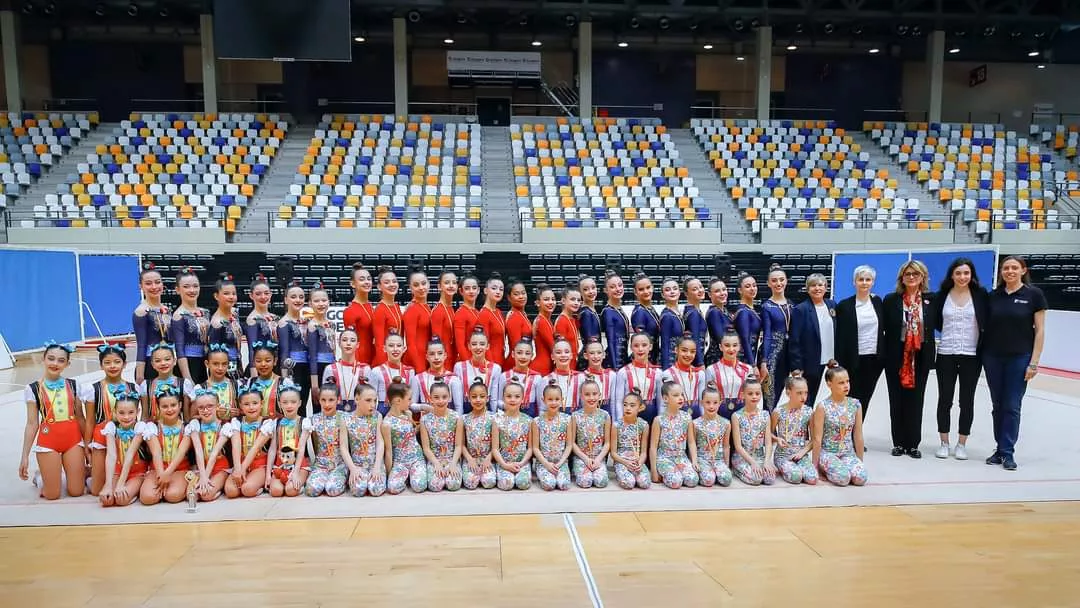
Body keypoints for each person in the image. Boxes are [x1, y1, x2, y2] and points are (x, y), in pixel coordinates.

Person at [983, 255, 1046, 471]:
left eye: (1014, 268)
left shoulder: (1033, 295)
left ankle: (1008, 452)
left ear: (1022, 270)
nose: (1009, 271)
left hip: (1019, 358)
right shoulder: (994, 296)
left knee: (1012, 406)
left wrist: (1034, 362)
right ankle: (999, 449)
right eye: (1005, 268)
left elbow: (1040, 331)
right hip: (992, 357)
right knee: (997, 405)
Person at [931, 257, 989, 461]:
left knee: (967, 401)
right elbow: (936, 322)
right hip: (946, 353)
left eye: (966, 273)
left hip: (971, 356)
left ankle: (962, 443)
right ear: (952, 275)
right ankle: (944, 442)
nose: (962, 277)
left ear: (971, 275)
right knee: (944, 400)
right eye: (958, 273)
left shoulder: (981, 295)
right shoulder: (942, 296)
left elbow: (986, 321)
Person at [882, 260, 936, 459]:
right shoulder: (891, 300)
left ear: (923, 277)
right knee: (896, 400)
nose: (911, 277)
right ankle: (898, 443)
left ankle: (913, 444)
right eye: (907, 274)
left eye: (915, 273)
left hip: (920, 356)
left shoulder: (931, 300)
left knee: (916, 400)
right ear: (901, 278)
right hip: (897, 357)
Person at [20, 342, 87, 501]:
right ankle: (41, 478)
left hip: (73, 440)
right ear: (43, 359)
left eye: (61, 360)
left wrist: (88, 444)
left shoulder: (74, 385)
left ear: (67, 364)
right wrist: (24, 456)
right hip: (48, 442)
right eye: (51, 359)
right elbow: (32, 424)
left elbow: (81, 418)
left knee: (77, 491)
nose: (55, 363)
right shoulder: (33, 389)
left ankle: (73, 472)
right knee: (52, 495)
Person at [82, 344, 138, 496]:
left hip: (124, 437)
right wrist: (87, 445)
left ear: (124, 364)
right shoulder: (93, 389)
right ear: (101, 365)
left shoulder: (134, 388)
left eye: (117, 362)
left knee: (125, 478)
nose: (112, 366)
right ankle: (89, 476)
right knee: (96, 491)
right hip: (101, 437)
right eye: (107, 362)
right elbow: (89, 420)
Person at [834, 265, 885, 419]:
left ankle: (857, 436)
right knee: (849, 398)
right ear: (854, 282)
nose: (864, 283)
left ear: (873, 282)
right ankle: (845, 438)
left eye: (868, 280)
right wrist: (839, 362)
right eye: (860, 279)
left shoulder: (877, 302)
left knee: (865, 399)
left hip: (873, 359)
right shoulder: (844, 306)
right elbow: (840, 337)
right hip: (852, 360)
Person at [812, 363, 868, 486]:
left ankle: (846, 467)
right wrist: (815, 467)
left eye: (847, 381)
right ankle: (826, 468)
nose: (846, 385)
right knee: (843, 479)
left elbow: (858, 435)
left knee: (860, 478)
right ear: (829, 384)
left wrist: (859, 462)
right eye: (841, 383)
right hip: (828, 453)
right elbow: (817, 438)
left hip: (847, 453)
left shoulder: (856, 404)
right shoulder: (823, 407)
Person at [789, 273, 837, 408]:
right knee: (806, 399)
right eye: (813, 285)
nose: (817, 288)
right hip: (810, 362)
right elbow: (795, 339)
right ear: (807, 289)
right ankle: (802, 427)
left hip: (829, 360)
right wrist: (797, 366)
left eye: (820, 285)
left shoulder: (832, 305)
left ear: (826, 287)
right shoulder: (801, 309)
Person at [139, 386, 191, 505]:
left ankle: (187, 482)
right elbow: (156, 452)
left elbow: (181, 452)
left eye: (173, 405)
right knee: (147, 498)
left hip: (179, 469)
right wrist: (161, 474)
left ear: (180, 405)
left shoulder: (187, 428)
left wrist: (168, 473)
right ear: (158, 407)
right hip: (157, 469)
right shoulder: (152, 427)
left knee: (173, 496)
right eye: (164, 406)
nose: (169, 409)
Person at [223, 386, 276, 498]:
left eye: (255, 403)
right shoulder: (236, 421)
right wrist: (238, 469)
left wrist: (241, 470)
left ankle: (259, 488)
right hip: (241, 463)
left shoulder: (267, 423)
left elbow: (256, 447)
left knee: (247, 490)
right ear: (241, 406)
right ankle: (244, 479)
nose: (251, 407)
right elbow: (236, 446)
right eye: (246, 404)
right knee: (230, 491)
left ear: (261, 403)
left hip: (259, 465)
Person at [98, 390, 148, 507]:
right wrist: (108, 485)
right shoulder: (111, 427)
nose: (126, 417)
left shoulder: (140, 427)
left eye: (131, 412)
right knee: (106, 500)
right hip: (118, 471)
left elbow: (130, 454)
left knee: (121, 500)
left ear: (138, 412)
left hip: (137, 473)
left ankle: (136, 489)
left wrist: (120, 484)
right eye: (121, 413)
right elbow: (111, 455)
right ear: (115, 412)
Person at [382, 379, 428, 494]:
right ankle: (406, 477)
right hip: (400, 462)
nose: (410, 402)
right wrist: (388, 473)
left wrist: (422, 422)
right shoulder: (386, 424)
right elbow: (388, 451)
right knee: (392, 488)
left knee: (419, 486)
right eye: (409, 399)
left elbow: (411, 434)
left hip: (416, 458)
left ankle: (412, 476)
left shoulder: (408, 414)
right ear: (398, 400)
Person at [649, 382, 699, 489]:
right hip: (664, 458)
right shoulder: (659, 420)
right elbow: (653, 447)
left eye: (681, 395)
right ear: (665, 398)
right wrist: (653, 471)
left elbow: (691, 442)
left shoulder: (687, 417)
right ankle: (667, 473)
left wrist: (694, 460)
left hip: (681, 457)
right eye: (676, 395)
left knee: (692, 480)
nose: (680, 398)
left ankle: (677, 473)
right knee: (676, 482)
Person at [185, 390, 231, 502]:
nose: (205, 411)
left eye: (210, 406)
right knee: (191, 496)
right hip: (201, 468)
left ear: (218, 406)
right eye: (201, 407)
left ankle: (218, 489)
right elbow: (198, 451)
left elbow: (215, 453)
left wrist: (205, 477)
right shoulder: (195, 425)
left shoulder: (225, 426)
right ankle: (210, 485)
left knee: (206, 495)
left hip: (221, 467)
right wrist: (202, 476)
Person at [771, 374, 817, 485]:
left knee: (812, 478)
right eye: (799, 393)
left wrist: (802, 452)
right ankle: (786, 468)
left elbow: (814, 439)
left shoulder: (808, 412)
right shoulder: (778, 412)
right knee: (796, 477)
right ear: (788, 392)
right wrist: (777, 439)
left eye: (805, 393)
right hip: (783, 456)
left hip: (801, 455)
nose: (803, 397)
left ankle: (799, 467)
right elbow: (768, 434)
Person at [267, 382, 311, 497]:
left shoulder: (304, 422)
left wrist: (295, 473)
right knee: (276, 492)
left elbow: (301, 449)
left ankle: (302, 481)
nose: (289, 406)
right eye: (285, 403)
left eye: (293, 402)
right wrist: (268, 474)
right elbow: (272, 449)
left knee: (290, 491)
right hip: (280, 465)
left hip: (299, 465)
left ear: (300, 403)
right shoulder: (276, 423)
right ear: (279, 404)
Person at [343, 384, 387, 497]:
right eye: (368, 400)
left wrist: (377, 466)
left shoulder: (377, 416)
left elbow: (380, 442)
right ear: (357, 399)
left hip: (374, 463)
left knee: (376, 490)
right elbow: (343, 447)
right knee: (358, 490)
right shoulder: (345, 419)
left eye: (375, 400)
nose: (372, 405)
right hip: (357, 464)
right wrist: (352, 469)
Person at [419, 382, 464, 492]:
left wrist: (453, 464)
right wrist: (436, 464)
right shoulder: (425, 420)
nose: (440, 401)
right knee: (435, 486)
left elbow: (458, 445)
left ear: (449, 398)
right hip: (434, 459)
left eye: (444, 397)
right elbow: (426, 448)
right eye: (436, 397)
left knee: (453, 485)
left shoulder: (456, 417)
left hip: (452, 459)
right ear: (430, 399)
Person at [731, 376, 775, 486]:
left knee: (769, 479)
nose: (754, 397)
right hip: (743, 457)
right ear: (743, 395)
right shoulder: (736, 416)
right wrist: (753, 463)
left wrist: (767, 461)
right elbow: (738, 446)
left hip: (760, 457)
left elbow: (768, 443)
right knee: (756, 479)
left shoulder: (765, 415)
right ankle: (736, 469)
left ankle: (759, 466)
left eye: (757, 393)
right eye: (750, 394)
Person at [305, 384, 347, 497]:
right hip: (321, 466)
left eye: (331, 400)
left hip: (340, 465)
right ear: (319, 400)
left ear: (338, 400)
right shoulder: (313, 419)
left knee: (332, 489)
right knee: (311, 490)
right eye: (323, 400)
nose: (327, 404)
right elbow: (312, 443)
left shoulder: (346, 418)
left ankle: (339, 479)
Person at [132, 262, 171, 384]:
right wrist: (140, 374)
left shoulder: (166, 309)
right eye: (148, 284)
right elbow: (141, 345)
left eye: (157, 282)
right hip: (151, 363)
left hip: (168, 363)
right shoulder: (141, 311)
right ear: (141, 286)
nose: (154, 287)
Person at [761, 264, 793, 409]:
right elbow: (767, 334)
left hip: (789, 355)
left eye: (781, 279)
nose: (778, 283)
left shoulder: (792, 305)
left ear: (786, 281)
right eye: (774, 280)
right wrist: (764, 361)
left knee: (783, 393)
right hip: (773, 356)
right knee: (770, 397)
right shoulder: (767, 306)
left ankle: (772, 427)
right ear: (769, 283)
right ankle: (768, 430)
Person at [703, 329, 755, 420]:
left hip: (742, 415)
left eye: (735, 345)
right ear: (720, 347)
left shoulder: (747, 369)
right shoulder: (711, 370)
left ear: (739, 347)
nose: (731, 349)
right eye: (727, 345)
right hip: (718, 416)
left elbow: (753, 395)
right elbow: (707, 397)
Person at [532, 380, 574, 491]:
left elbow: (569, 445)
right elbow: (535, 448)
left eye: (557, 399)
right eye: (550, 399)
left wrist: (560, 463)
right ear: (543, 400)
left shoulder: (567, 419)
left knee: (564, 485)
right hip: (543, 463)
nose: (553, 402)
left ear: (562, 400)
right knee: (549, 485)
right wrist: (546, 464)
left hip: (561, 462)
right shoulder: (537, 421)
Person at [171, 267, 210, 386]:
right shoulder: (178, 315)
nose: (192, 290)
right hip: (188, 364)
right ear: (177, 290)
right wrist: (187, 378)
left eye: (195, 286)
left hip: (205, 363)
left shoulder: (205, 312)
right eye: (186, 286)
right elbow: (179, 350)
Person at [612, 330, 662, 422]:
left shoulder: (658, 373)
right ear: (631, 347)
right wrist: (619, 423)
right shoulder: (623, 372)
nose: (640, 349)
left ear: (650, 347)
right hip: (630, 417)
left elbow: (661, 402)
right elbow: (618, 401)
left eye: (644, 345)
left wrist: (661, 423)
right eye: (636, 345)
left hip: (652, 417)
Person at [571, 376, 611, 489]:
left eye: (594, 394)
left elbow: (607, 443)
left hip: (599, 457)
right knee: (585, 482)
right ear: (581, 396)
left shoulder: (605, 415)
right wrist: (585, 459)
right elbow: (572, 443)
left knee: (601, 482)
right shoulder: (575, 416)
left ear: (600, 395)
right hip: (581, 458)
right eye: (587, 394)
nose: (591, 397)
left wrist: (599, 459)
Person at [492, 381, 533, 490]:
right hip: (504, 462)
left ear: (522, 398)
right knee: (507, 484)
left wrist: (522, 463)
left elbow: (530, 448)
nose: (512, 399)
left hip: (522, 463)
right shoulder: (497, 419)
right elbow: (495, 448)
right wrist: (504, 465)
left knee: (523, 483)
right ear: (503, 398)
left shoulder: (529, 420)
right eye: (509, 396)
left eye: (517, 396)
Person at [278, 281, 311, 408]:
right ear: (286, 300)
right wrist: (285, 379)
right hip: (293, 369)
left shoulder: (307, 321)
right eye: (293, 297)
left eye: (301, 297)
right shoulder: (284, 323)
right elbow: (284, 352)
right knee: (294, 407)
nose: (298, 300)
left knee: (303, 405)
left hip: (306, 368)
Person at [692, 383, 733, 487]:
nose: (711, 406)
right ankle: (707, 474)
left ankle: (717, 473)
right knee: (708, 480)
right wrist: (695, 461)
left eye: (715, 403)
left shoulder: (726, 423)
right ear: (701, 403)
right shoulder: (695, 423)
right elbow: (692, 445)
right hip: (702, 459)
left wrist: (727, 464)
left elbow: (726, 446)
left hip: (718, 460)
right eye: (708, 402)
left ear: (720, 403)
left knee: (726, 479)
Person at [320, 329, 370, 414]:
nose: (348, 343)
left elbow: (370, 398)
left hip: (360, 414)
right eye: (344, 340)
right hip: (335, 413)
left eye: (352, 340)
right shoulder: (330, 369)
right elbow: (325, 397)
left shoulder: (365, 369)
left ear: (358, 345)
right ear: (339, 343)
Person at [366, 332, 416, 415]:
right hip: (382, 412)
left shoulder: (410, 371)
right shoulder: (376, 371)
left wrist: (425, 407)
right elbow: (370, 399)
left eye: (399, 346)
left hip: (403, 413)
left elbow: (411, 401)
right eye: (391, 346)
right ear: (384, 348)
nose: (395, 349)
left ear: (404, 348)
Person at [413, 336, 464, 414]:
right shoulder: (418, 378)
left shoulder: (453, 379)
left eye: (440, 353)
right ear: (427, 356)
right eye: (432, 354)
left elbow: (459, 407)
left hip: (448, 424)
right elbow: (411, 406)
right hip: (426, 424)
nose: (436, 357)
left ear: (445, 355)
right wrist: (423, 407)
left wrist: (458, 425)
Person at [461, 381, 497, 490]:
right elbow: (461, 445)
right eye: (474, 396)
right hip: (470, 458)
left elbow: (496, 445)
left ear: (487, 398)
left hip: (488, 458)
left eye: (482, 396)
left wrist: (489, 459)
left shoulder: (494, 418)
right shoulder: (464, 419)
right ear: (468, 398)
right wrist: (469, 459)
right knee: (470, 483)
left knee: (489, 482)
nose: (478, 400)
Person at [611, 391, 651, 490]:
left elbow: (644, 452)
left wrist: (640, 463)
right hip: (622, 461)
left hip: (637, 461)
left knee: (644, 483)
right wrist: (626, 462)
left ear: (640, 407)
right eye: (625, 405)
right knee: (629, 483)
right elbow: (613, 453)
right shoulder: (616, 425)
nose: (628, 408)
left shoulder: (644, 425)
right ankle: (620, 473)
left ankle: (636, 473)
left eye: (632, 405)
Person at [306, 283, 337, 403]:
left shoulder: (331, 324)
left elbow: (333, 348)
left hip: (331, 367)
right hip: (318, 367)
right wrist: (314, 384)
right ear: (310, 304)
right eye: (316, 301)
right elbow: (312, 355)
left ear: (328, 302)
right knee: (319, 404)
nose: (321, 304)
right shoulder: (312, 325)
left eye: (324, 300)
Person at [661, 333, 706, 417]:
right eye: (684, 350)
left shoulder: (700, 374)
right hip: (675, 419)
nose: (688, 355)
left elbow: (702, 403)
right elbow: (663, 405)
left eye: (692, 352)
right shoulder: (667, 374)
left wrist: (703, 422)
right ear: (676, 350)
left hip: (696, 418)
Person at [207, 273, 243, 371]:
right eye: (226, 294)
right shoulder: (217, 323)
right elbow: (213, 353)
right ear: (216, 296)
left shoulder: (234, 312)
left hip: (237, 362)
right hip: (222, 368)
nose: (231, 297)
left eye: (233, 293)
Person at [244, 274, 278, 377]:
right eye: (258, 294)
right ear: (251, 296)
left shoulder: (275, 317)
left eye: (266, 293)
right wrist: (254, 376)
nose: (263, 297)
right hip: (260, 367)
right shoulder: (252, 319)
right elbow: (251, 349)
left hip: (275, 364)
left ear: (271, 294)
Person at [343, 263, 376, 366]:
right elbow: (350, 342)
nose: (366, 282)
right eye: (362, 279)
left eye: (369, 279)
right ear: (353, 284)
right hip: (360, 359)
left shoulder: (371, 307)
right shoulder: (350, 310)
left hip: (375, 357)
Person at [371, 266, 403, 368]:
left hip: (396, 358)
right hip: (384, 363)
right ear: (379, 287)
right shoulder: (380, 310)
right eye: (387, 282)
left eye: (394, 281)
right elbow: (379, 345)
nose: (392, 284)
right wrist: (384, 368)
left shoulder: (396, 307)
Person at [402, 265, 432, 373]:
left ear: (429, 284)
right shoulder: (412, 310)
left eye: (424, 283)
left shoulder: (427, 307)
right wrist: (420, 370)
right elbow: (411, 345)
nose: (421, 287)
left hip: (428, 358)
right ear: (410, 288)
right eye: (416, 285)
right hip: (415, 362)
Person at [600, 268, 631, 370]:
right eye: (612, 287)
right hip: (614, 362)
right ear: (606, 290)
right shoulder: (608, 311)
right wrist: (615, 367)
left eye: (620, 285)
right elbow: (611, 341)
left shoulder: (618, 308)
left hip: (622, 358)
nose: (618, 289)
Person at [476, 273, 507, 369]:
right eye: (494, 288)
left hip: (501, 359)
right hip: (490, 362)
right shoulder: (484, 314)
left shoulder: (498, 312)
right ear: (485, 290)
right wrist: (491, 366)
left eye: (501, 289)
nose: (498, 292)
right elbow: (484, 344)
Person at [630, 271, 662, 366]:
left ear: (653, 287)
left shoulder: (650, 309)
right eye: (641, 289)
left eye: (648, 287)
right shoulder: (639, 312)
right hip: (645, 361)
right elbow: (640, 342)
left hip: (654, 357)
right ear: (635, 292)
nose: (646, 292)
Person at [732, 272, 763, 370]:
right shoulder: (743, 312)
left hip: (751, 356)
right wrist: (752, 365)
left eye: (754, 285)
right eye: (748, 286)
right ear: (740, 290)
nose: (752, 288)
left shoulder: (750, 310)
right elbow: (745, 339)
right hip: (744, 360)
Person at [430, 270, 459, 366]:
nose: (451, 285)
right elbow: (436, 345)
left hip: (453, 358)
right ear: (439, 287)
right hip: (443, 361)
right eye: (447, 283)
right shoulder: (438, 311)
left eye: (454, 283)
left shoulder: (450, 308)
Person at [453, 274, 482, 364]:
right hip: (468, 362)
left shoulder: (478, 312)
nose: (471, 291)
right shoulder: (460, 314)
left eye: (474, 288)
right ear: (461, 291)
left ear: (478, 290)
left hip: (479, 359)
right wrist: (468, 365)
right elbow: (460, 345)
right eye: (467, 288)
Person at [554, 283, 583, 371]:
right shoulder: (562, 321)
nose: (576, 303)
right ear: (563, 301)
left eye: (578, 300)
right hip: (565, 364)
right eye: (572, 299)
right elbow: (560, 349)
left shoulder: (573, 319)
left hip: (573, 361)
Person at [703, 277, 731, 367]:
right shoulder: (714, 312)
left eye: (724, 289)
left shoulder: (725, 311)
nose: (722, 293)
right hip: (717, 359)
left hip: (726, 355)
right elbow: (721, 338)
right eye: (717, 291)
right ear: (710, 294)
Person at [658, 277, 685, 370]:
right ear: (662, 294)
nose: (672, 292)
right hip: (671, 362)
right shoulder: (667, 316)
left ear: (679, 292)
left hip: (682, 359)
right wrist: (666, 370)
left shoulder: (679, 313)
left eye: (675, 288)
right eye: (667, 290)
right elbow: (665, 344)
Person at [531, 283, 557, 376]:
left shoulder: (546, 320)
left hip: (545, 366)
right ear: (538, 303)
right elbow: (554, 348)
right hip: (542, 369)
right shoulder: (542, 321)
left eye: (553, 299)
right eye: (546, 299)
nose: (551, 302)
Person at [577, 275, 602, 370]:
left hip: (593, 355)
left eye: (593, 287)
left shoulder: (590, 310)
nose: (591, 291)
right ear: (580, 292)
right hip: (589, 359)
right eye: (586, 289)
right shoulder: (586, 313)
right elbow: (590, 341)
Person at [504, 278, 532, 358]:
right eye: (516, 294)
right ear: (509, 298)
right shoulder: (515, 317)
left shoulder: (522, 314)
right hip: (516, 362)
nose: (521, 297)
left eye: (523, 293)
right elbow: (516, 348)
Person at [683, 277, 708, 368]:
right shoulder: (693, 313)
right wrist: (700, 363)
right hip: (695, 361)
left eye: (701, 287)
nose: (700, 290)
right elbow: (695, 339)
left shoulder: (695, 311)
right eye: (695, 289)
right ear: (686, 293)